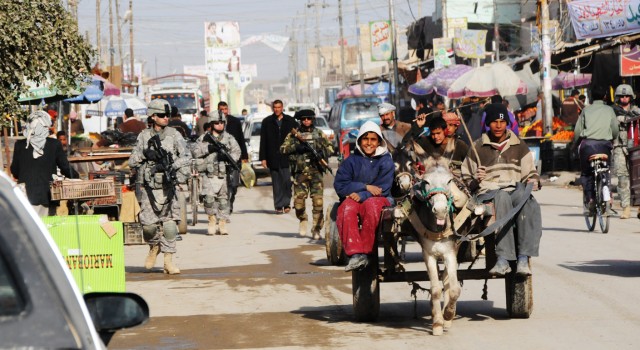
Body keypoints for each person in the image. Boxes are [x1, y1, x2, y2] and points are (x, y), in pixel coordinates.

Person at [461, 103, 542, 276]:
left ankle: (522, 258)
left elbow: (531, 172)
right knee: (502, 197)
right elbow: (466, 180)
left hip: (514, 187)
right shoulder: (477, 147)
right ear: (488, 124)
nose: (498, 126)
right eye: (494, 122)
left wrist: (534, 180)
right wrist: (476, 179)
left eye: (502, 122)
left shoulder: (519, 145)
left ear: (507, 123)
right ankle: (503, 259)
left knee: (527, 201)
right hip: (489, 192)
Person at [128, 99, 191, 275]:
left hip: (168, 187)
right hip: (149, 189)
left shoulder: (175, 135)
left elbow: (187, 156)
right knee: (148, 227)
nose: (166, 118)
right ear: (153, 116)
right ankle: (154, 246)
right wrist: (145, 154)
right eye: (162, 115)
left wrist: (173, 167)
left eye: (167, 115)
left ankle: (168, 262)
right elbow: (132, 161)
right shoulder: (143, 136)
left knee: (170, 226)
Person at [334, 121, 394, 272]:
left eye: (373, 140)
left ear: (379, 142)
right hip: (355, 198)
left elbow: (383, 188)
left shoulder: (386, 161)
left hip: (379, 199)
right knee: (346, 207)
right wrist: (365, 187)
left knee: (371, 205)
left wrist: (362, 195)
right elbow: (340, 185)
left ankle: (366, 252)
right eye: (365, 139)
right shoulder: (351, 162)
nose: (369, 143)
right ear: (360, 140)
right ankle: (355, 254)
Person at [280, 109, 334, 239]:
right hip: (300, 173)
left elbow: (330, 148)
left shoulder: (319, 133)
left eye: (308, 119)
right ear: (300, 120)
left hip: (316, 172)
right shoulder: (294, 135)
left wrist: (322, 153)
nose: (306, 121)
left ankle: (316, 229)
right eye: (303, 119)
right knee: (298, 203)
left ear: (312, 120)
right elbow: (283, 149)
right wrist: (296, 148)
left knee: (318, 202)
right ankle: (303, 219)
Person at [11, 111, 77, 217]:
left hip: (25, 196)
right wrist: (76, 177)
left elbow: (14, 170)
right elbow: (65, 167)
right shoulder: (54, 144)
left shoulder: (20, 145)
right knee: (45, 227)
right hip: (47, 194)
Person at [192, 110, 241, 235]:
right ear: (212, 123)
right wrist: (209, 148)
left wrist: (228, 157)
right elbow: (195, 151)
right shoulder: (204, 138)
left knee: (223, 200)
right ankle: (212, 220)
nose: (220, 125)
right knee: (208, 199)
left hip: (223, 174)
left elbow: (237, 152)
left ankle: (222, 222)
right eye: (217, 123)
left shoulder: (229, 138)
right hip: (209, 174)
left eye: (222, 123)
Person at [573, 86, 618, 216]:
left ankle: (591, 198)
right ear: (605, 96)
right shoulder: (609, 110)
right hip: (605, 146)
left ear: (590, 97)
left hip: (588, 146)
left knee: (586, 174)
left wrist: (575, 144)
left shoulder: (586, 110)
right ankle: (607, 192)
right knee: (606, 170)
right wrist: (612, 139)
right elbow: (615, 129)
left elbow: (577, 131)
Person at [259, 99, 298, 214]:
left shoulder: (290, 121)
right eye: (275, 107)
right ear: (272, 108)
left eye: (279, 107)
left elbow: (297, 138)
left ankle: (286, 204)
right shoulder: (267, 122)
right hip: (273, 156)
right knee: (276, 183)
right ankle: (278, 205)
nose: (277, 109)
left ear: (282, 107)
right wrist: (263, 158)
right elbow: (263, 141)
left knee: (286, 181)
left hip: (287, 157)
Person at [611, 84, 640, 219]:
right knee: (622, 178)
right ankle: (626, 207)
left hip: (635, 147)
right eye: (621, 96)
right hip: (619, 147)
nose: (624, 98)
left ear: (631, 97)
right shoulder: (613, 111)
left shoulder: (636, 110)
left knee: (637, 178)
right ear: (617, 97)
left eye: (626, 95)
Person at [218, 101, 248, 214]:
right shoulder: (214, 122)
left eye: (225, 109)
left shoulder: (235, 122)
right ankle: (224, 207)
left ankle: (230, 203)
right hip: (219, 158)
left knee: (234, 184)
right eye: (221, 109)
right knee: (222, 185)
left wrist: (244, 156)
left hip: (235, 158)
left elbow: (241, 139)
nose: (224, 111)